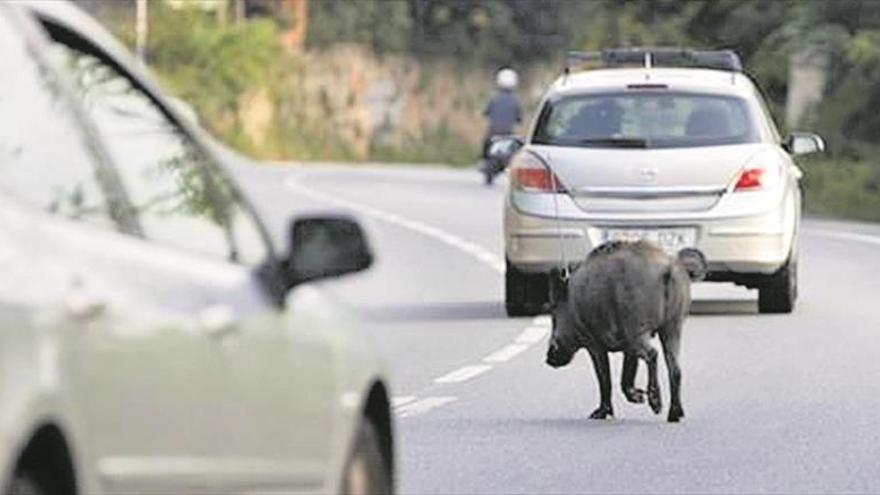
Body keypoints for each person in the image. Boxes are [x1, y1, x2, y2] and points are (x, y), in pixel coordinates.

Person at [481, 68, 522, 163]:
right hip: (508, 133)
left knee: (486, 142)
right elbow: (519, 118)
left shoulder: (494, 98)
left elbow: (486, 113)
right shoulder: (515, 100)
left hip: (493, 131)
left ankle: (484, 159)